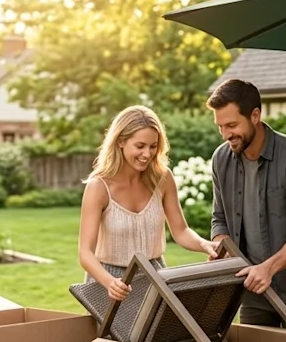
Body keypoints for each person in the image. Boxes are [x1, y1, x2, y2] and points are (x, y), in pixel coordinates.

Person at [206, 78, 286, 333]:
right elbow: (220, 219)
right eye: (220, 127)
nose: (226, 134)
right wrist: (222, 246)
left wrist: (269, 268)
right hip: (252, 291)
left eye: (231, 125)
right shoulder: (221, 159)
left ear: (255, 115)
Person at [79, 105, 220, 301]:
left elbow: (180, 231)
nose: (147, 153)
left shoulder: (163, 179)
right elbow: (85, 253)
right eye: (140, 146)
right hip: (109, 283)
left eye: (153, 146)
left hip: (155, 276)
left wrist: (204, 244)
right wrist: (110, 282)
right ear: (121, 141)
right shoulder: (99, 187)